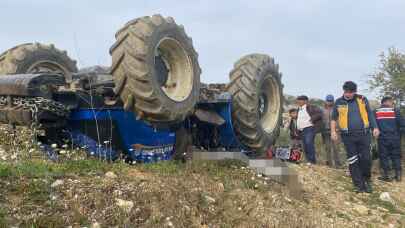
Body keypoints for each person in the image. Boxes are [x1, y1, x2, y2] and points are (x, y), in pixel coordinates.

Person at [331, 81, 379, 193]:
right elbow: (333, 118)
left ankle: (366, 180)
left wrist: (375, 127)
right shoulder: (338, 102)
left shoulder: (362, 99)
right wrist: (333, 131)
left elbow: (370, 114)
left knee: (366, 159)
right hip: (348, 136)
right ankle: (358, 185)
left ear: (355, 92)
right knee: (353, 160)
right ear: (344, 91)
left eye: (351, 92)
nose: (348, 94)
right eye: (346, 92)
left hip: (364, 134)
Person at [375, 96, 405, 182]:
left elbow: (373, 125)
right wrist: (398, 136)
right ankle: (398, 176)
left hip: (382, 138)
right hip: (395, 138)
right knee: (396, 156)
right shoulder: (396, 111)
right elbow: (403, 125)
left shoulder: (376, 112)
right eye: (392, 102)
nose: (392, 104)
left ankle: (386, 176)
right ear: (387, 102)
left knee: (384, 156)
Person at [296, 95, 323, 164]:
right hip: (301, 130)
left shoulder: (311, 107)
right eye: (298, 100)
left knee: (309, 143)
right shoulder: (299, 108)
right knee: (305, 145)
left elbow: (320, 113)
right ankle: (308, 160)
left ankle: (312, 161)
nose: (298, 101)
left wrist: (312, 119)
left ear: (305, 101)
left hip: (309, 128)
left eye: (300, 100)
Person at [322, 94, 342, 168]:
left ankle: (338, 164)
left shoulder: (337, 109)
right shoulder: (322, 110)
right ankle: (329, 164)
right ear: (325, 101)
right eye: (328, 101)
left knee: (336, 148)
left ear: (333, 101)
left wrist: (338, 128)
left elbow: (340, 119)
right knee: (327, 148)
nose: (329, 102)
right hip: (326, 131)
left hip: (336, 131)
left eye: (331, 101)